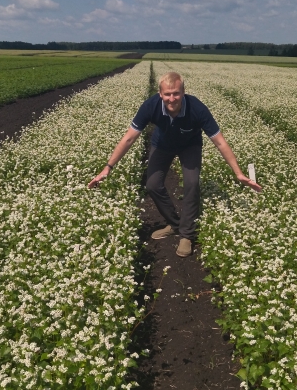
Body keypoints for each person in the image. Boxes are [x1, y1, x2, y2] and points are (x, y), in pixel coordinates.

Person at [88, 71, 261, 257]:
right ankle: (175, 224)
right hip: (162, 145)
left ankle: (186, 235)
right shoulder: (150, 106)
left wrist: (238, 173)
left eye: (176, 93)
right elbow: (129, 138)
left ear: (183, 92)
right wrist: (108, 168)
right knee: (152, 185)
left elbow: (220, 142)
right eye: (167, 94)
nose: (172, 98)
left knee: (192, 184)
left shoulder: (197, 109)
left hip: (190, 146)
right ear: (160, 94)